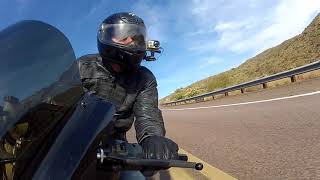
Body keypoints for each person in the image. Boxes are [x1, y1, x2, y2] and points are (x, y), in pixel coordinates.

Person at [77, 12, 178, 160]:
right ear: (106, 35)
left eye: (136, 38)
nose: (130, 40)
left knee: (133, 176)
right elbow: (58, 98)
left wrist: (153, 137)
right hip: (75, 136)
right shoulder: (83, 66)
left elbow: (148, 114)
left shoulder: (145, 78)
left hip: (115, 143)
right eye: (123, 36)